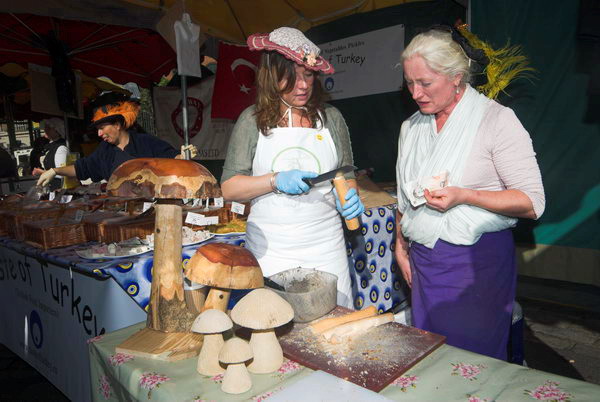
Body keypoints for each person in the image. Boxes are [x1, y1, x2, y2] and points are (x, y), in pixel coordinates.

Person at [394, 26, 545, 360]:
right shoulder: (411, 128)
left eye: (426, 83)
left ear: (456, 77)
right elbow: (404, 199)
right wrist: (400, 245)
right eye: (409, 82)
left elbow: (532, 202)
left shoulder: (497, 121)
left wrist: (465, 195)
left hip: (474, 267)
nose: (416, 93)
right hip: (423, 263)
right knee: (431, 357)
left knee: (470, 362)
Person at [221, 27, 364, 308]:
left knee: (334, 328)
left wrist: (348, 196)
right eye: (292, 75)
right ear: (272, 75)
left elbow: (345, 174)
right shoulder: (251, 121)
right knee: (276, 329)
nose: (303, 85)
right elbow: (229, 188)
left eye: (308, 74)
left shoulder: (331, 118)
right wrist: (274, 180)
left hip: (327, 246)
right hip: (271, 250)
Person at [36, 101, 197, 186]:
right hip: (122, 211)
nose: (99, 134)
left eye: (102, 128)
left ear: (117, 125)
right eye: (97, 130)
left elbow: (171, 157)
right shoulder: (105, 151)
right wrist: (54, 171)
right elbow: (82, 168)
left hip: (152, 208)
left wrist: (183, 155)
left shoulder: (145, 141)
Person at [32, 118, 69, 187]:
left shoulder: (61, 148)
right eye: (45, 127)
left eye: (49, 128)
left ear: (57, 131)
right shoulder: (50, 145)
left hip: (60, 189)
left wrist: (41, 172)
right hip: (52, 187)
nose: (45, 129)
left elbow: (63, 174)